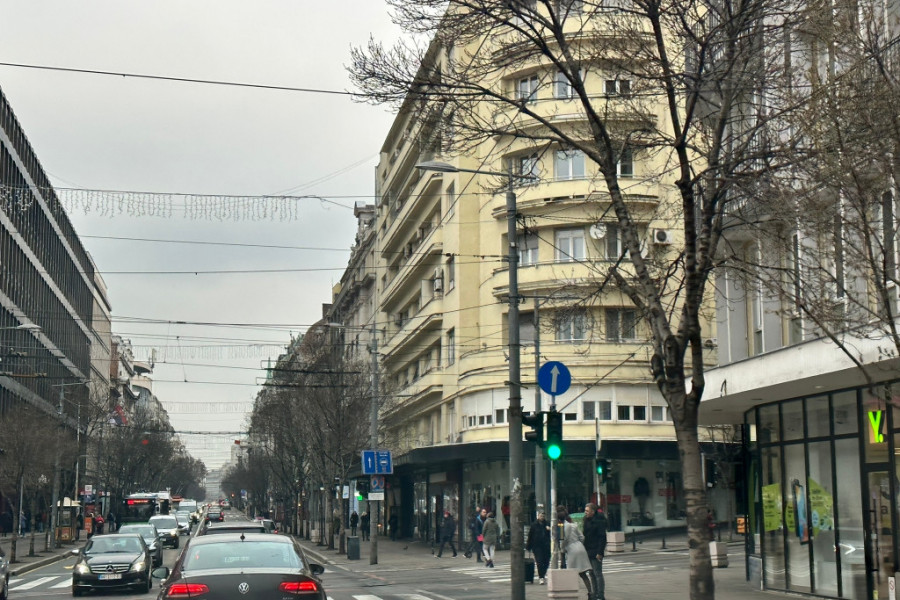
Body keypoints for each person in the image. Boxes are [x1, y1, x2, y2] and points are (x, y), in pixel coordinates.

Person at [558, 506, 593, 600]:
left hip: (571, 550)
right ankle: (590, 593)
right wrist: (578, 544)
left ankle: (571, 593)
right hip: (580, 548)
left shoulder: (561, 526)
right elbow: (582, 537)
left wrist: (562, 549)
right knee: (583, 573)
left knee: (571, 573)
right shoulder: (573, 525)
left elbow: (563, 540)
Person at [583, 503, 608, 600]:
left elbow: (602, 538)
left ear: (593, 512)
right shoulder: (586, 520)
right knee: (591, 573)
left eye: (587, 511)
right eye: (585, 511)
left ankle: (600, 595)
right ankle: (594, 593)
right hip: (588, 550)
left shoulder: (599, 521)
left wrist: (600, 552)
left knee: (598, 573)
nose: (586, 513)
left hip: (596, 550)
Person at [526, 510, 552, 584]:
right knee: (539, 561)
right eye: (541, 515)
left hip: (546, 546)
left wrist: (549, 529)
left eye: (543, 516)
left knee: (546, 561)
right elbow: (530, 535)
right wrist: (528, 546)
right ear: (538, 516)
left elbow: (553, 533)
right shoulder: (534, 525)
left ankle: (543, 574)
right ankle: (541, 577)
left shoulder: (547, 524)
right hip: (537, 546)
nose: (542, 517)